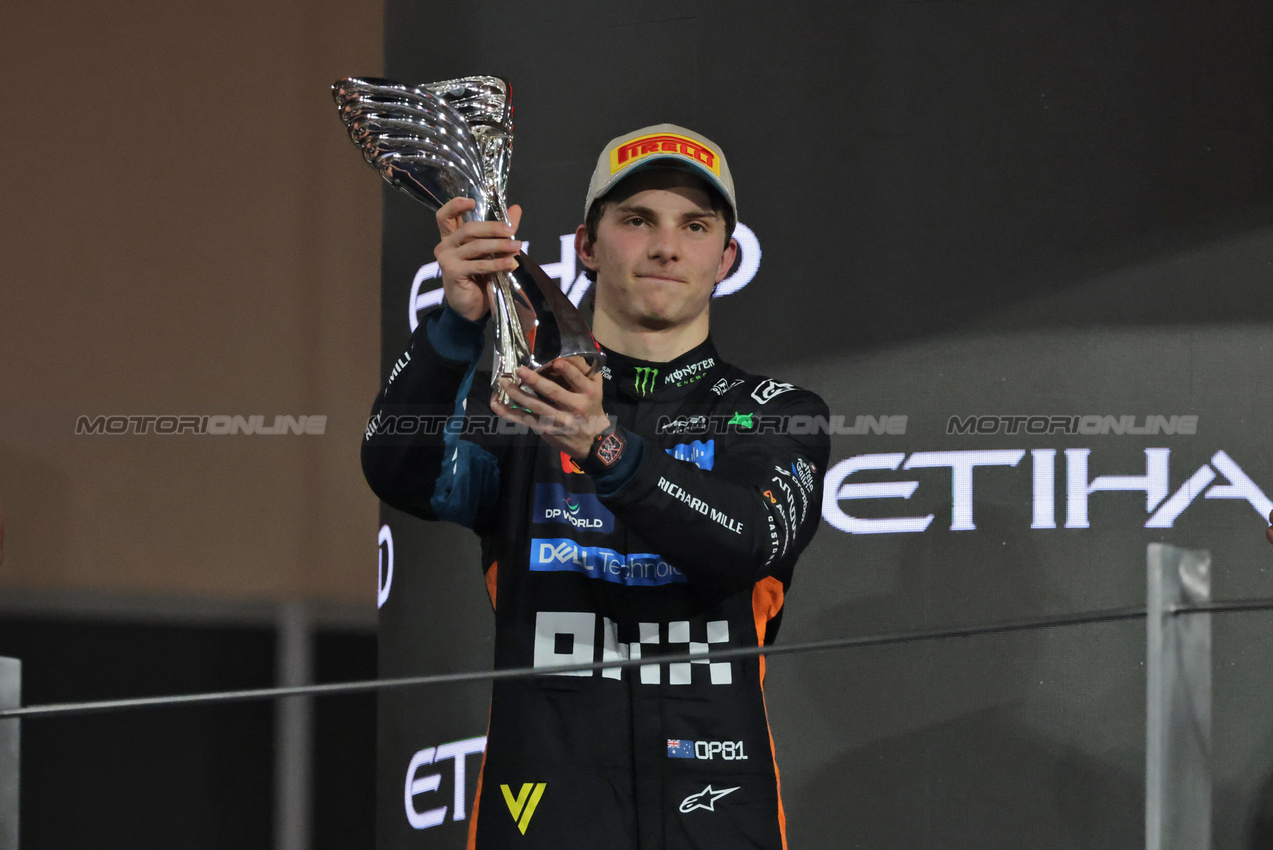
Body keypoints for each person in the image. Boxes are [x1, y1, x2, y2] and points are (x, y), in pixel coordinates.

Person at [362, 124, 830, 849]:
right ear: (586, 245)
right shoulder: (521, 408)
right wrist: (455, 328)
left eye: (694, 226)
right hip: (540, 817)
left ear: (727, 258)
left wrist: (602, 447)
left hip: (717, 818)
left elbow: (749, 541)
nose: (666, 247)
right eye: (637, 220)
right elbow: (397, 470)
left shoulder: (775, 412)